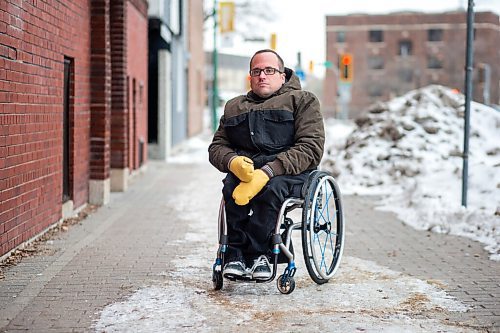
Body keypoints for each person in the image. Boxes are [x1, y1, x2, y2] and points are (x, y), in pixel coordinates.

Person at [208, 49, 325, 280]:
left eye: (269, 70)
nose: (263, 75)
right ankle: (235, 255)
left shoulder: (303, 101)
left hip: (290, 172)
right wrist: (232, 162)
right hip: (247, 172)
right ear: (250, 77)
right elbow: (216, 147)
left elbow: (311, 147)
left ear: (282, 75)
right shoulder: (234, 107)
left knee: (270, 191)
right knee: (231, 187)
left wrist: (270, 171)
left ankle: (261, 255)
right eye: (257, 71)